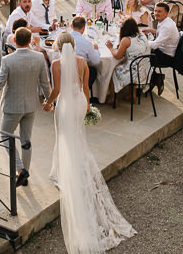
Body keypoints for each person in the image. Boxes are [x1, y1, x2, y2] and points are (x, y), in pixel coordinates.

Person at [43, 36, 136, 253]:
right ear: (73, 46)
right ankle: (72, 163)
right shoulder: (82, 62)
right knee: (76, 135)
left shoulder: (57, 63)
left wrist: (48, 102)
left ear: (57, 46)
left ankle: (64, 168)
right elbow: (86, 87)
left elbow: (57, 90)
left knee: (64, 136)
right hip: (79, 102)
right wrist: (86, 107)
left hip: (65, 104)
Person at [0, 27, 50, 188]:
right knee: (26, 139)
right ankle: (25, 174)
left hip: (12, 107)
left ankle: (20, 169)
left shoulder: (8, 60)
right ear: (30, 41)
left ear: (14, 41)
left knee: (5, 136)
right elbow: (45, 82)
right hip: (31, 105)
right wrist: (49, 101)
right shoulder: (38, 58)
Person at [104, 19, 149, 103]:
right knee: (132, 65)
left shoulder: (126, 39)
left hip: (134, 73)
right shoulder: (142, 35)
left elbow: (117, 56)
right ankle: (132, 94)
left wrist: (110, 47)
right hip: (145, 71)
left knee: (113, 72)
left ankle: (112, 98)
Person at [143, 2, 180, 66]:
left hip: (166, 57)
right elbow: (163, 34)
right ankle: (152, 74)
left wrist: (141, 41)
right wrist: (151, 30)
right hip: (163, 51)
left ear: (166, 13)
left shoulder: (167, 26)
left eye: (159, 11)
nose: (156, 14)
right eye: (155, 11)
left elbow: (154, 45)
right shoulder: (166, 20)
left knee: (138, 56)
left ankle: (150, 75)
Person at [69, 15, 100, 93]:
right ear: (83, 29)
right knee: (93, 71)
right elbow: (96, 61)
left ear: (71, 26)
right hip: (80, 73)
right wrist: (96, 49)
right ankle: (83, 92)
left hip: (63, 70)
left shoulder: (62, 38)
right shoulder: (87, 43)